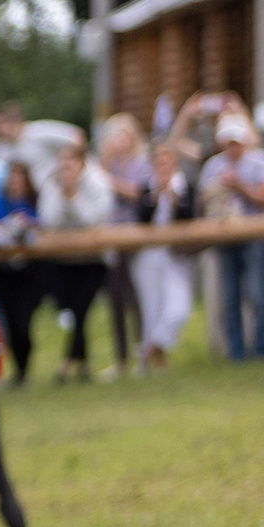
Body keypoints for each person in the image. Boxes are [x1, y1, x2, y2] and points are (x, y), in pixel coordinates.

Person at [199, 113, 264, 360]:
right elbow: (202, 200)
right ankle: (236, 353)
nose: (232, 146)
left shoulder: (258, 161)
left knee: (256, 295)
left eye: (236, 141)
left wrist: (239, 186)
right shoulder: (213, 165)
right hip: (225, 238)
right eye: (227, 141)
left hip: (254, 238)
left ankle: (261, 350)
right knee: (230, 298)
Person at [36, 147, 114, 380]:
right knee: (71, 311)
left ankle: (67, 363)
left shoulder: (98, 183)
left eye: (70, 165)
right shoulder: (51, 185)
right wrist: (63, 196)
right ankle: (83, 364)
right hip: (62, 260)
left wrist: (73, 197)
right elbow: (48, 221)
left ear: (81, 164)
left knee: (81, 311)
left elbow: (94, 220)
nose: (65, 170)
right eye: (62, 165)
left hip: (93, 259)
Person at [132, 140, 198, 370]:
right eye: (158, 162)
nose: (163, 166)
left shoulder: (185, 186)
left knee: (179, 308)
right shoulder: (146, 188)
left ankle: (152, 347)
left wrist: (173, 198)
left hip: (175, 255)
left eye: (167, 161)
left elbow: (190, 217)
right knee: (151, 309)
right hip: (148, 257)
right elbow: (140, 219)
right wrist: (155, 196)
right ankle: (153, 364)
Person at [0, 160, 44, 383]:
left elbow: (45, 224)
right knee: (8, 322)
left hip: (28, 271)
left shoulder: (34, 200)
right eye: (12, 178)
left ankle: (24, 365)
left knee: (22, 321)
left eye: (19, 178)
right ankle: (18, 371)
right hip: (3, 271)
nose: (15, 183)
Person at [95, 114, 147, 377]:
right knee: (115, 297)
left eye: (124, 135)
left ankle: (143, 353)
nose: (120, 141)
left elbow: (139, 192)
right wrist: (106, 160)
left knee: (136, 297)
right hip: (110, 237)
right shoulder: (106, 165)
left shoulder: (140, 163)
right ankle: (122, 359)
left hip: (135, 237)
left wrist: (111, 182)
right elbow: (95, 182)